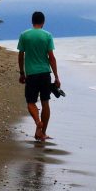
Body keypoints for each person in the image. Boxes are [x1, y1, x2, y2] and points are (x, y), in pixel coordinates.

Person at [17, 11, 61, 141]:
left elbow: (21, 55)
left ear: (32, 21)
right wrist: (57, 77)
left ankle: (37, 122)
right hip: (45, 73)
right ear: (43, 22)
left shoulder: (24, 35)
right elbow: (51, 57)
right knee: (45, 102)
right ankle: (42, 133)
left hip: (32, 74)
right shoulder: (47, 35)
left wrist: (22, 73)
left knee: (31, 102)